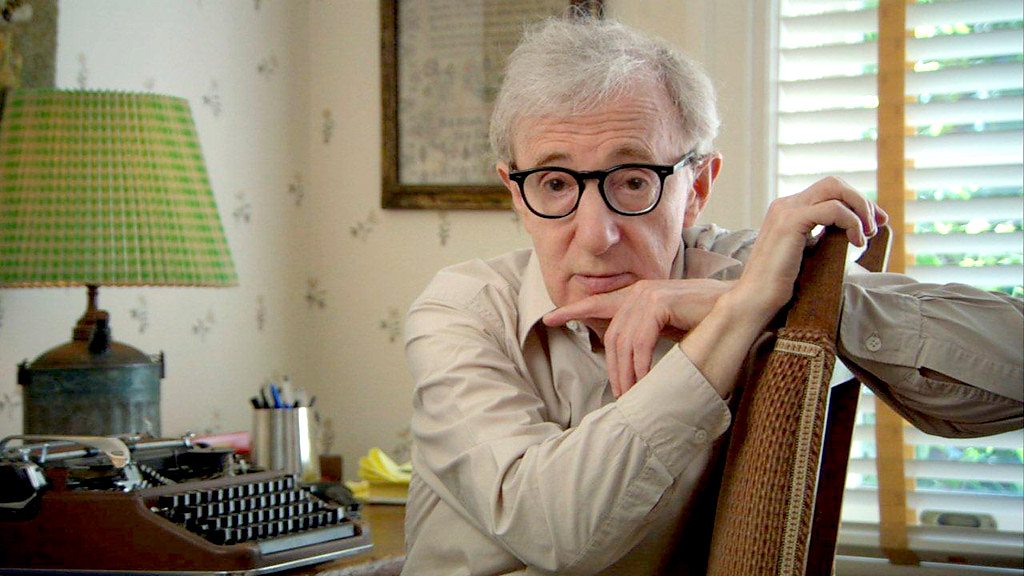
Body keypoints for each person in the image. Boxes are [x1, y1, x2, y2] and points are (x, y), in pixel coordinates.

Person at [401, 16, 1023, 576]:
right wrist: (740, 317)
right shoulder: (462, 309)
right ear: (516, 193)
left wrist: (779, 302)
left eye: (634, 180)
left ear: (696, 188)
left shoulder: (753, 272)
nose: (595, 236)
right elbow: (554, 533)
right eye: (556, 183)